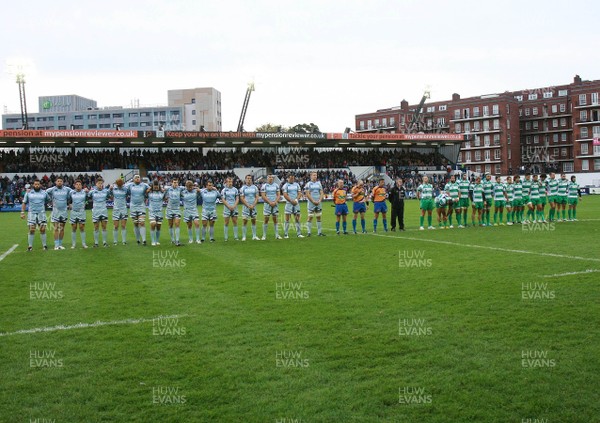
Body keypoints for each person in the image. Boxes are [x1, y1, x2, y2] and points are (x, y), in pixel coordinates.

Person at [21, 179, 49, 251]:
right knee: (31, 230)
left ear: (40, 185)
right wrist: (22, 213)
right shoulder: (29, 193)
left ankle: (45, 246)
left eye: (38, 184)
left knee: (42, 229)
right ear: (33, 185)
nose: (37, 185)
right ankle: (30, 246)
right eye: (35, 184)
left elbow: (48, 200)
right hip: (32, 213)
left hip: (41, 213)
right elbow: (24, 202)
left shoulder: (44, 193)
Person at [46, 177, 72, 250]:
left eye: (61, 181)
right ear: (55, 182)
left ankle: (60, 244)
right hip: (55, 212)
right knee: (56, 228)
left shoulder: (67, 189)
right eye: (58, 181)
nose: (59, 182)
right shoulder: (52, 189)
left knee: (62, 228)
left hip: (64, 211)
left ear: (63, 182)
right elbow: (44, 193)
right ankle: (56, 245)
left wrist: (70, 202)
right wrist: (49, 200)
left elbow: (74, 192)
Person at [126, 174, 150, 245]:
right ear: (133, 179)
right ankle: (138, 239)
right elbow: (123, 189)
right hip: (133, 207)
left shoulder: (144, 185)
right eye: (136, 178)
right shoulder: (130, 185)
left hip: (141, 206)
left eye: (138, 177)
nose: (137, 179)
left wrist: (147, 192)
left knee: (142, 222)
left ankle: (144, 240)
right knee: (135, 224)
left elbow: (151, 188)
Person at [88, 178, 111, 247]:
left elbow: (109, 197)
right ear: (96, 184)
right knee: (96, 227)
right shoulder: (92, 192)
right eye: (99, 183)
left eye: (101, 183)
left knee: (104, 226)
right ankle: (96, 243)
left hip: (103, 211)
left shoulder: (106, 191)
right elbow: (87, 197)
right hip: (96, 211)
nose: (100, 185)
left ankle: (104, 242)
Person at [281, 174, 304, 238]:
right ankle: (286, 234)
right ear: (288, 179)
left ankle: (299, 234)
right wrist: (291, 201)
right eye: (291, 178)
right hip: (289, 204)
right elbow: (285, 195)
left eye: (293, 178)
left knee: (297, 218)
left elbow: (299, 193)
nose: (292, 180)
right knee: (287, 219)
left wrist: (296, 200)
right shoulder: (285, 185)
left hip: (296, 203)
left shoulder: (297, 185)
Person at [68, 180, 89, 249]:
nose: (78, 185)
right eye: (77, 184)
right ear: (74, 185)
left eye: (79, 184)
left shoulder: (84, 192)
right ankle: (73, 244)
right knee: (74, 228)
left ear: (82, 185)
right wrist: (69, 205)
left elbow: (88, 199)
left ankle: (83, 244)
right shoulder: (71, 192)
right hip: (73, 212)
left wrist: (85, 204)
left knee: (81, 227)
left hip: (81, 212)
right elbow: (68, 200)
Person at [260, 174, 282, 240]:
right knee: (266, 219)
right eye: (269, 177)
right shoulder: (264, 186)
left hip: (275, 204)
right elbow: (263, 196)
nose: (271, 178)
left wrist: (275, 202)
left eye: (272, 177)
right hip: (267, 204)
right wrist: (270, 202)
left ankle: (277, 235)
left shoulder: (276, 185)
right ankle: (264, 235)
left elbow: (278, 195)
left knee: (275, 219)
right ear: (267, 178)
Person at [304, 171, 325, 236]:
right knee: (310, 217)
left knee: (318, 216)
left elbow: (321, 193)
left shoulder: (319, 183)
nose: (315, 176)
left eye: (316, 175)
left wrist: (319, 200)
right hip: (311, 203)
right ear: (311, 176)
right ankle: (309, 232)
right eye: (313, 175)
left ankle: (319, 232)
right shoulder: (308, 184)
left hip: (318, 202)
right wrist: (313, 201)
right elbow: (307, 194)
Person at [239, 175, 260, 241]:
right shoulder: (243, 188)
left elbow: (257, 197)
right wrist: (248, 205)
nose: (249, 179)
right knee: (245, 221)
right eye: (247, 178)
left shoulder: (255, 187)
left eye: (250, 178)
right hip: (246, 206)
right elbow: (242, 198)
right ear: (245, 180)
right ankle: (244, 236)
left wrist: (253, 205)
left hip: (253, 206)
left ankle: (254, 236)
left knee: (254, 221)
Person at [165, 178, 184, 246]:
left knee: (177, 223)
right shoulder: (168, 189)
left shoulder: (180, 189)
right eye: (174, 182)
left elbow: (187, 188)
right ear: (171, 183)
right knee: (170, 225)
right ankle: (172, 239)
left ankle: (177, 240)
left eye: (176, 182)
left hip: (177, 209)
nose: (175, 184)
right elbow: (164, 197)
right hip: (169, 209)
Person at [221, 177, 240, 241]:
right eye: (229, 181)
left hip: (234, 207)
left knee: (235, 222)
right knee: (226, 222)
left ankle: (236, 237)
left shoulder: (235, 189)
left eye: (231, 181)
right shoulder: (224, 190)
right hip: (227, 208)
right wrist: (229, 206)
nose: (230, 183)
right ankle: (226, 237)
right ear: (226, 182)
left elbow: (237, 198)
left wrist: (234, 206)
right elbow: (223, 199)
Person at [111, 178, 129, 245]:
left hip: (123, 209)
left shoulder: (125, 189)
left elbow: (128, 194)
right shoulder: (113, 189)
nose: (120, 184)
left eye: (121, 183)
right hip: (116, 209)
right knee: (116, 226)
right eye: (119, 183)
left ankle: (124, 241)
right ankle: (115, 241)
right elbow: (109, 194)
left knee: (123, 225)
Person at [148, 180, 165, 246]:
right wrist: (149, 189)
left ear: (159, 186)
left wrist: (163, 190)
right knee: (153, 224)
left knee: (158, 227)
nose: (155, 187)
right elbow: (145, 193)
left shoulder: (162, 193)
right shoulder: (150, 193)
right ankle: (153, 241)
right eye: (154, 186)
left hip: (160, 212)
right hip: (152, 212)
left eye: (157, 185)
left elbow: (166, 196)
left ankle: (157, 240)